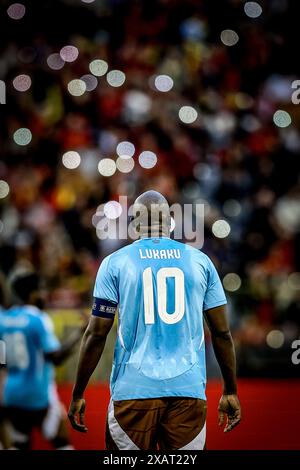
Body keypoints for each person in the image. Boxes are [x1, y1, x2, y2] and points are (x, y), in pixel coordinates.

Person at [68, 190, 241, 450]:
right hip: (188, 390)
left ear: (135, 223)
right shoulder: (200, 261)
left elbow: (96, 333)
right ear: (170, 221)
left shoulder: (115, 262)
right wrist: (230, 390)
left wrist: (78, 392)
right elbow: (222, 333)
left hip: (133, 391)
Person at [0, 270, 85, 450]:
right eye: (41, 290)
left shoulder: (4, 319)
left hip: (12, 395)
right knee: (62, 441)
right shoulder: (37, 318)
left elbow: (2, 361)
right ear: (33, 293)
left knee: (20, 443)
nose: (45, 295)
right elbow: (56, 357)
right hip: (38, 395)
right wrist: (80, 334)